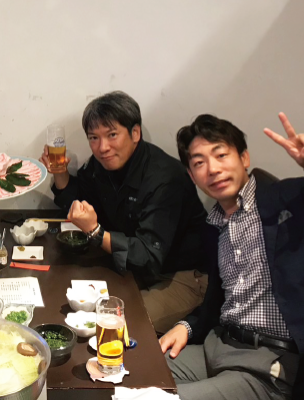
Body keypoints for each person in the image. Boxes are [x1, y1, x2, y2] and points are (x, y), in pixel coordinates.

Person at [160, 113, 304, 400]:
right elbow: (217, 301)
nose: (213, 169)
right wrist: (186, 326)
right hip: (219, 346)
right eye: (199, 162)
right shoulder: (214, 227)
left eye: (221, 155)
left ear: (244, 158)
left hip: (269, 363)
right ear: (192, 175)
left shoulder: (288, 202)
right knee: (131, 370)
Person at [41, 91, 208, 333]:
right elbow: (81, 202)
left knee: (109, 326)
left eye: (112, 135)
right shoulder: (101, 165)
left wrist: (95, 232)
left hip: (181, 276)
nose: (103, 147)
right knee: (62, 297)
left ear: (135, 133)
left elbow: (148, 256)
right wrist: (59, 172)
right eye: (94, 138)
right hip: (131, 269)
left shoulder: (165, 179)